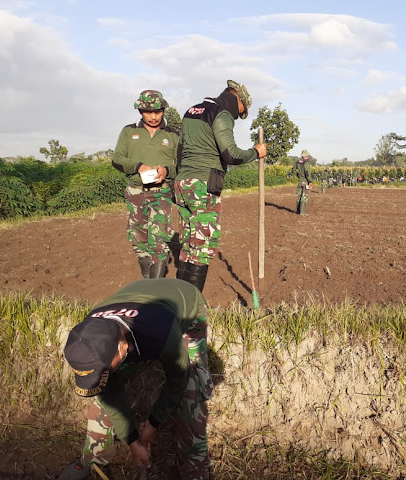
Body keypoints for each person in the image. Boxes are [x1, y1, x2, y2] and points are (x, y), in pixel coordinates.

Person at [58, 278, 213, 480]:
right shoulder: (90, 335)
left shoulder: (161, 334)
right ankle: (93, 458)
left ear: (123, 348)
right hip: (133, 307)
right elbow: (108, 393)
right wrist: (132, 441)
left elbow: (177, 379)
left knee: (192, 392)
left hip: (184, 305)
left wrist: (152, 424)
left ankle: (195, 467)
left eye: (105, 367)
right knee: (102, 393)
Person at [174, 80, 267, 291]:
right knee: (202, 245)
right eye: (240, 111)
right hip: (203, 185)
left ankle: (181, 300)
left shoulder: (191, 111)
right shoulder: (221, 113)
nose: (237, 116)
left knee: (189, 242)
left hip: (183, 183)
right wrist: (255, 152)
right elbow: (231, 154)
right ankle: (193, 305)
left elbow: (179, 151)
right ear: (237, 98)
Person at [112, 90, 181, 279]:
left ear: (163, 110)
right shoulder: (129, 131)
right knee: (139, 239)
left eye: (158, 112)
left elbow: (181, 164)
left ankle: (156, 288)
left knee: (159, 239)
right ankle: (147, 282)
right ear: (140, 111)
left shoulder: (173, 135)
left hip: (162, 192)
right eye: (148, 112)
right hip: (136, 192)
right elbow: (117, 159)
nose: (153, 116)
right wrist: (137, 166)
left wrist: (167, 170)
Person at [294, 149, 312, 215]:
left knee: (299, 196)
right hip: (305, 181)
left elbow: (293, 170)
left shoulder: (297, 162)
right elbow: (307, 173)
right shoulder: (306, 163)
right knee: (304, 196)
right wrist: (310, 181)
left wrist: (298, 176)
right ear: (306, 156)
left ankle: (298, 211)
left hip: (299, 181)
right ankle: (303, 212)